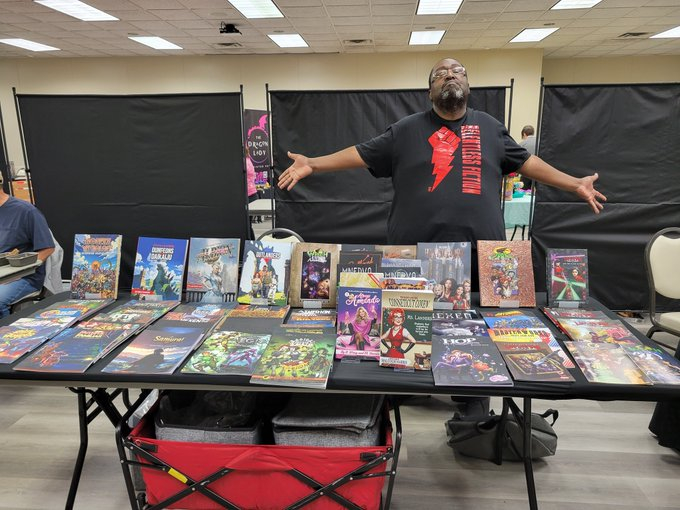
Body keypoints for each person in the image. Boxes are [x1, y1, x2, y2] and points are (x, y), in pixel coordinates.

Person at [278, 56, 606, 414]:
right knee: (408, 323)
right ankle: (406, 389)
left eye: (457, 71)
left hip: (478, 256)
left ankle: (472, 404)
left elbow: (529, 164)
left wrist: (574, 184)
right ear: (430, 90)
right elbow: (361, 153)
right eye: (441, 74)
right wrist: (313, 164)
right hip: (413, 254)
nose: (450, 75)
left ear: (468, 85)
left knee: (474, 333)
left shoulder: (490, 128)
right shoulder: (406, 130)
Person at [0, 173, 55, 318]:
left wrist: (19, 272)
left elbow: (48, 248)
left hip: (23, 277)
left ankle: (6, 330)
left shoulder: (26, 211)